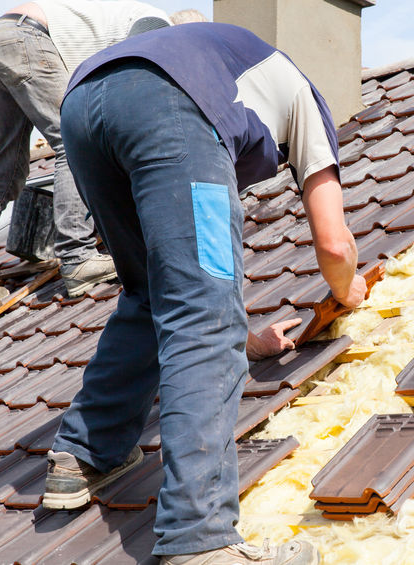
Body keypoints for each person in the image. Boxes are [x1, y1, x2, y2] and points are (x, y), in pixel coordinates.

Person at [41, 21, 367, 565]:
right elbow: (334, 245)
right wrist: (347, 288)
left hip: (83, 103)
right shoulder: (307, 101)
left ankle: (84, 456)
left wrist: (247, 339)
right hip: (170, 101)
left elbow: (181, 272)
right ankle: (200, 538)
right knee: (202, 319)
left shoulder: (229, 65)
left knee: (149, 290)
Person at [0, 0, 187, 310]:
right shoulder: (158, 24)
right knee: (72, 141)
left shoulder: (116, 24)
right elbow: (137, 88)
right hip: (27, 37)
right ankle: (77, 256)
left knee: (3, 172)